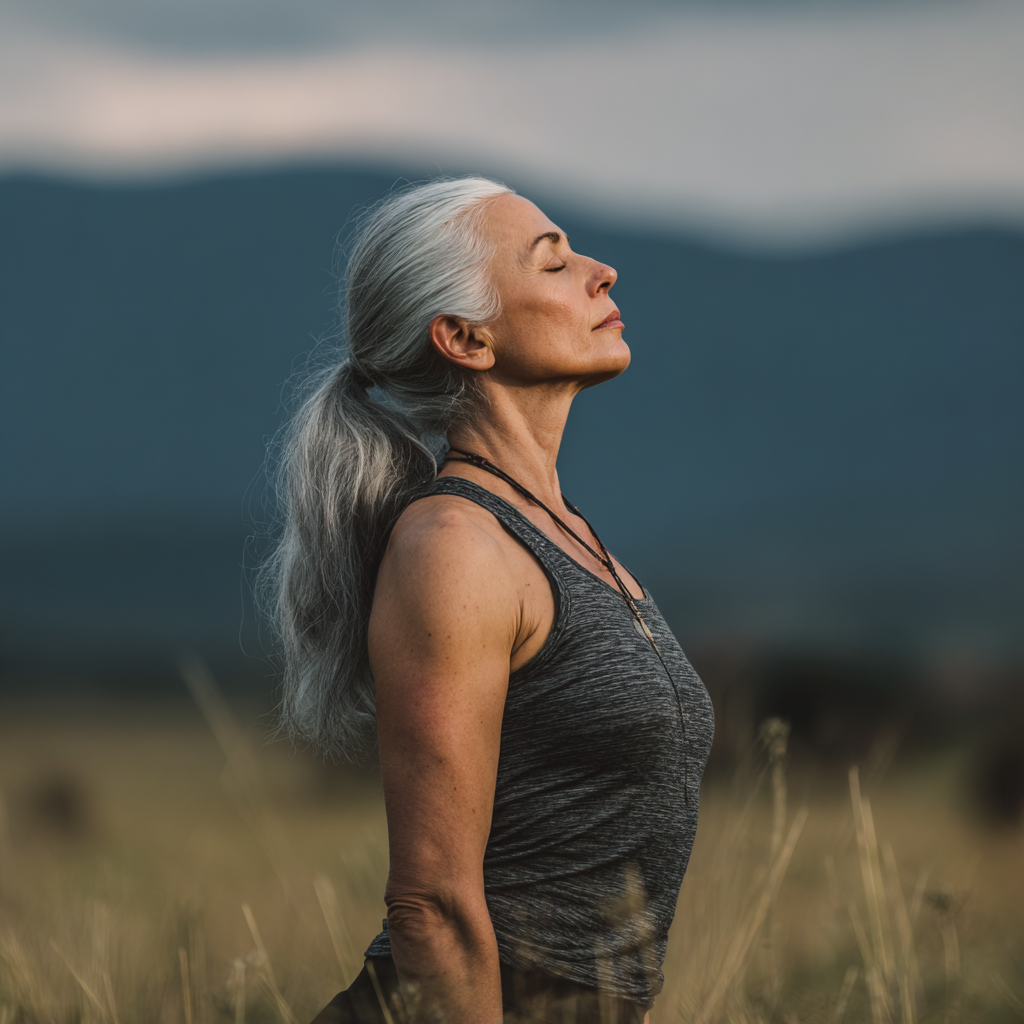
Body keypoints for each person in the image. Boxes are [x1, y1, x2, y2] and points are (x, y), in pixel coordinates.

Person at [266, 177, 715, 1023]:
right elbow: (430, 904)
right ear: (465, 338)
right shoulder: (456, 549)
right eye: (555, 263)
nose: (603, 272)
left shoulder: (566, 538)